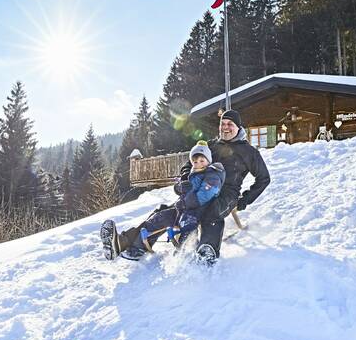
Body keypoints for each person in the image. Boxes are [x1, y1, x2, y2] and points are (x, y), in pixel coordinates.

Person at [100, 141, 226, 261]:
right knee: (159, 217)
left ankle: (185, 253)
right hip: (182, 209)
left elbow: (206, 194)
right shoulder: (192, 175)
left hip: (200, 211)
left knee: (187, 226)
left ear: (208, 161)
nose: (198, 163)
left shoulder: (213, 174)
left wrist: (186, 202)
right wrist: (179, 187)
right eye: (195, 161)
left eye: (202, 160)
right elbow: (181, 187)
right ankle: (138, 247)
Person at [179, 109, 270, 264]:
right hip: (202, 188)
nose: (225, 127)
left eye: (230, 124)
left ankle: (208, 249)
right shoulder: (211, 145)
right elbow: (188, 164)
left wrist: (245, 200)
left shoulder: (249, 152)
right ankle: (134, 240)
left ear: (238, 127)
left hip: (227, 194)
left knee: (212, 211)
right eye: (223, 124)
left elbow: (264, 178)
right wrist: (186, 180)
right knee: (178, 207)